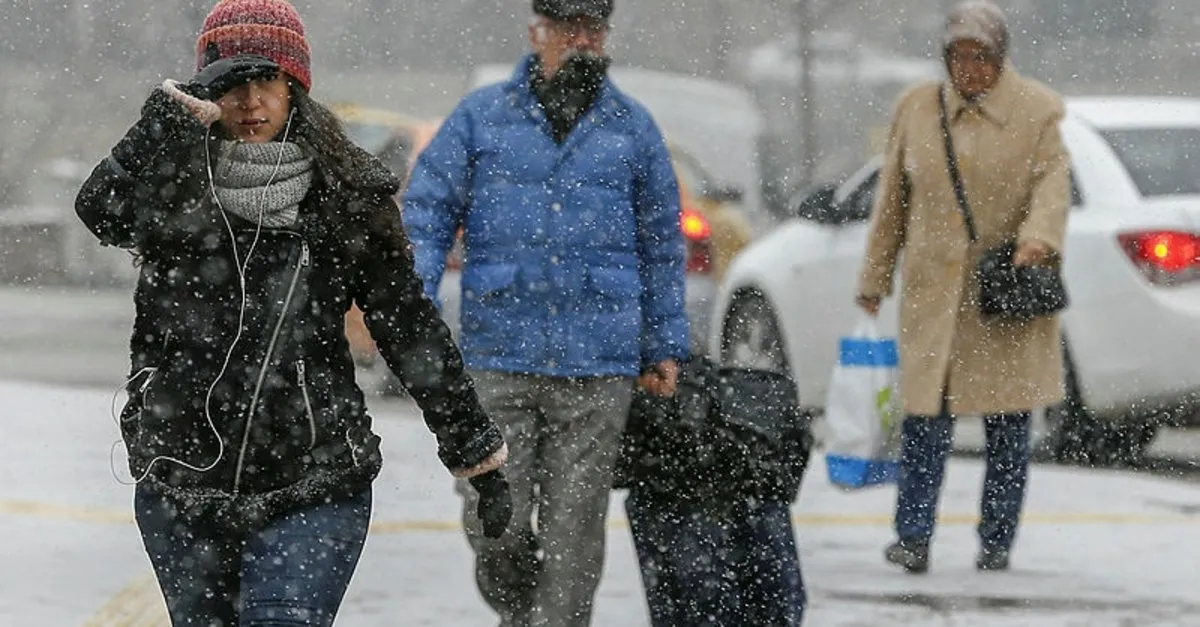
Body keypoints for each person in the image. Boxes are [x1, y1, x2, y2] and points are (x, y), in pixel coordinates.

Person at [74, 1, 512, 624]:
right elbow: (98, 209)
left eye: (268, 80)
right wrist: (165, 119)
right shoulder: (174, 183)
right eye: (231, 82)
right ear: (206, 90)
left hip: (314, 478)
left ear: (295, 88)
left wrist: (474, 451)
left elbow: (408, 327)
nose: (251, 100)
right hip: (183, 479)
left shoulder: (347, 196)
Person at [401, 0, 689, 624]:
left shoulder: (632, 128)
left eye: (593, 30)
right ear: (538, 33)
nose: (581, 42)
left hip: (598, 362)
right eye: (567, 29)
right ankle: (515, 605)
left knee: (575, 530)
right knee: (492, 515)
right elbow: (425, 214)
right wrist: (412, 310)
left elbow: (662, 245)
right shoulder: (481, 118)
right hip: (498, 352)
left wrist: (663, 343)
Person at [856, 0, 1070, 574]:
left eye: (982, 58)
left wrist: (1038, 239)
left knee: (1007, 427)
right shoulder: (917, 109)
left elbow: (1054, 183)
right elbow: (892, 204)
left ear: (1002, 58)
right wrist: (875, 276)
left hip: (1001, 293)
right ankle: (913, 536)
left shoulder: (1038, 111)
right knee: (925, 421)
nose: (969, 70)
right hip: (933, 296)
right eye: (959, 57)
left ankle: (996, 541)